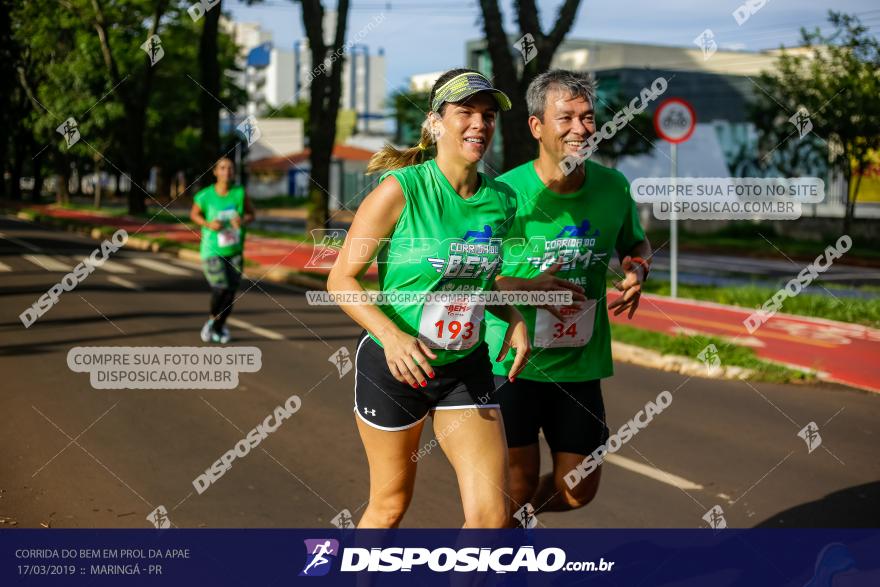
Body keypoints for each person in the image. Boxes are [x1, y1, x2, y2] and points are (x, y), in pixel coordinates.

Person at [327, 69, 530, 529]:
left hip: (464, 365)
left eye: (488, 115)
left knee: (492, 518)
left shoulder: (502, 200)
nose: (480, 123)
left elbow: (478, 278)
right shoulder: (399, 191)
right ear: (436, 123)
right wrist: (392, 337)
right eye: (466, 113)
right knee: (390, 506)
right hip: (396, 367)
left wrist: (512, 315)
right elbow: (342, 278)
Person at [485, 69, 652, 523]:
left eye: (588, 117)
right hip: (510, 363)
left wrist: (638, 267)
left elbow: (634, 244)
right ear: (537, 126)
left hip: (579, 366)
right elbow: (473, 279)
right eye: (566, 118)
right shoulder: (502, 195)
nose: (581, 128)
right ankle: (496, 560)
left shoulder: (613, 187)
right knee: (515, 483)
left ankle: (510, 525)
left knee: (578, 491)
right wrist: (524, 289)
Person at [190, 157, 255, 344]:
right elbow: (194, 214)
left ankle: (218, 327)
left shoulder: (240, 193)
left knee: (231, 292)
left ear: (233, 172)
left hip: (234, 250)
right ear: (215, 172)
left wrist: (242, 221)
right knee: (220, 288)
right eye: (223, 168)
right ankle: (212, 320)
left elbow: (252, 214)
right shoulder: (205, 195)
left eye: (230, 168)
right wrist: (208, 223)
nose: (227, 171)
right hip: (212, 249)